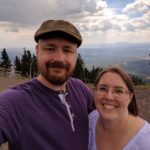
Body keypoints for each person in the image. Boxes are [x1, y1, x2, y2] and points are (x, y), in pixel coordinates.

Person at [0, 20, 94, 150]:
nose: (59, 58)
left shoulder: (80, 89)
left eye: (67, 50)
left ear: (75, 55)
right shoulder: (14, 102)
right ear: (37, 51)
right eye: (50, 48)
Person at [88, 66, 150, 150]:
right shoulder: (91, 120)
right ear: (95, 92)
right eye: (103, 88)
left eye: (118, 91)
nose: (109, 97)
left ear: (130, 97)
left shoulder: (146, 142)